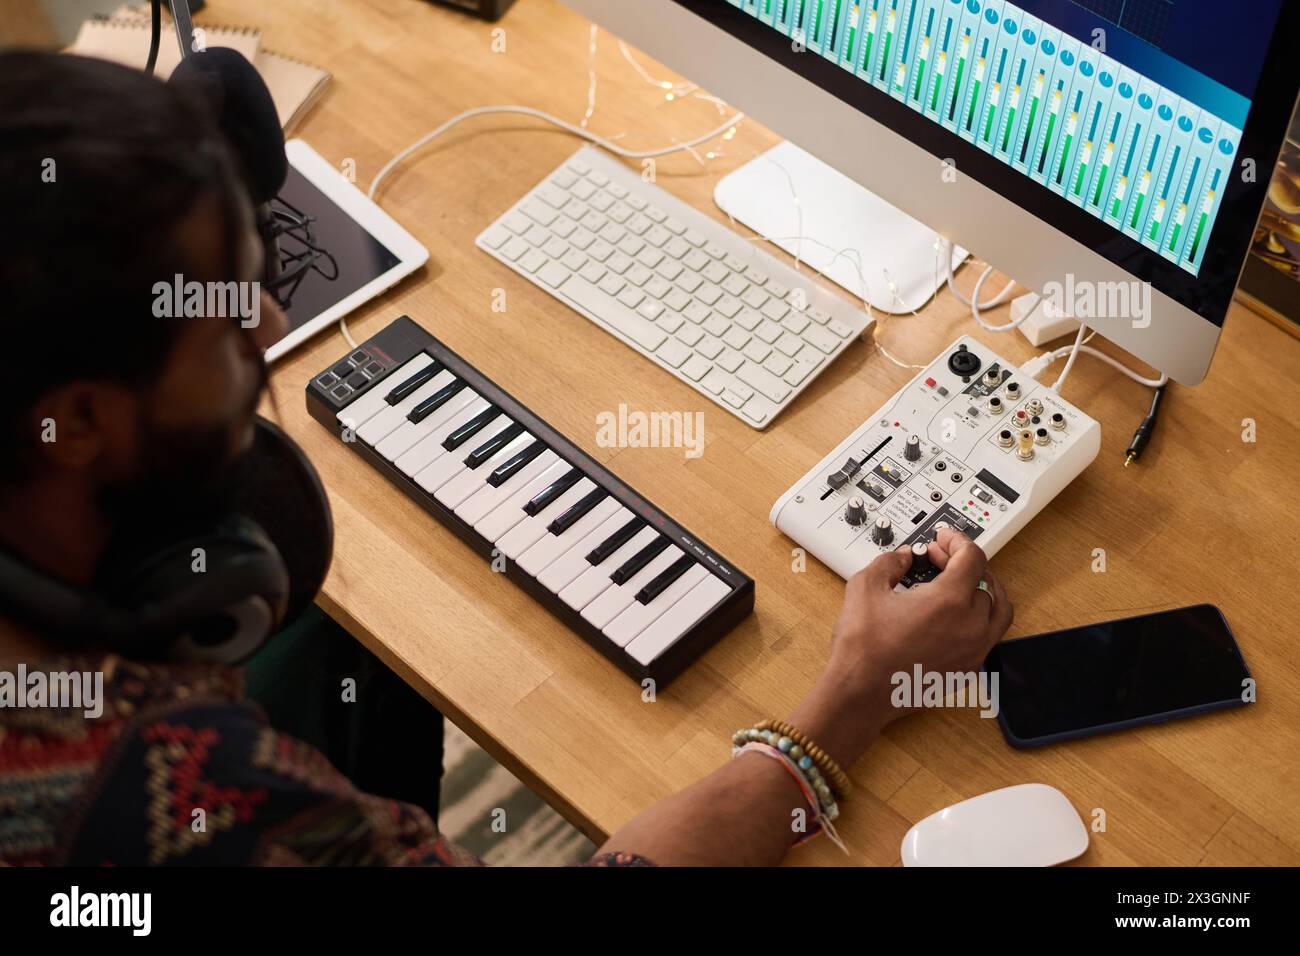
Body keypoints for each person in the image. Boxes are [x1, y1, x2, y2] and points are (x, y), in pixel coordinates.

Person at [0, 51, 1012, 867]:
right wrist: (850, 698)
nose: (265, 320)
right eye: (216, 311)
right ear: (77, 420)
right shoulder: (204, 804)